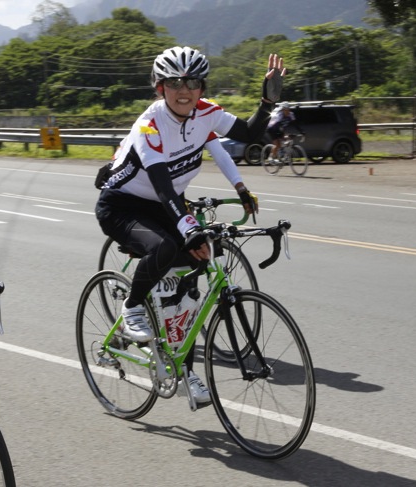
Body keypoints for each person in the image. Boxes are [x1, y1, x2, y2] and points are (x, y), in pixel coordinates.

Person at [95, 46, 284, 404]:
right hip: (123, 206)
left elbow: (249, 134)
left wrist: (267, 102)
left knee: (197, 270)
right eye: (174, 82)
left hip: (163, 204)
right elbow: (163, 187)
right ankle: (133, 306)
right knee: (166, 247)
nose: (184, 90)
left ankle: (181, 364)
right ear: (159, 87)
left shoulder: (207, 114)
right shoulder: (149, 125)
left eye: (192, 82)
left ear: (201, 87)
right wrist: (186, 226)